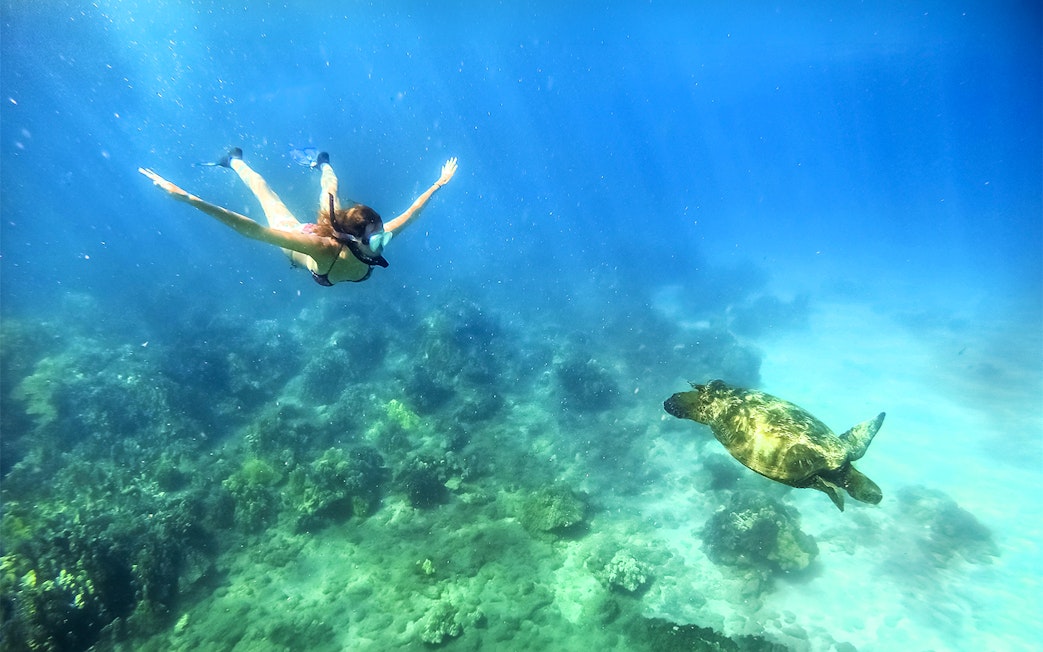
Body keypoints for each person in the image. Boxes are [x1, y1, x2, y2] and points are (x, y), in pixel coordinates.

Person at [139, 148, 458, 285]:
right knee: (267, 194)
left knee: (330, 191)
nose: (385, 239)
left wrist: (439, 183)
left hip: (333, 232)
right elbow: (253, 231)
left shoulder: (377, 237)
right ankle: (234, 160)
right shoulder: (322, 247)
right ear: (353, 238)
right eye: (378, 236)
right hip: (301, 241)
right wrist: (188, 199)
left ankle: (323, 163)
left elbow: (413, 212)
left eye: (383, 234)